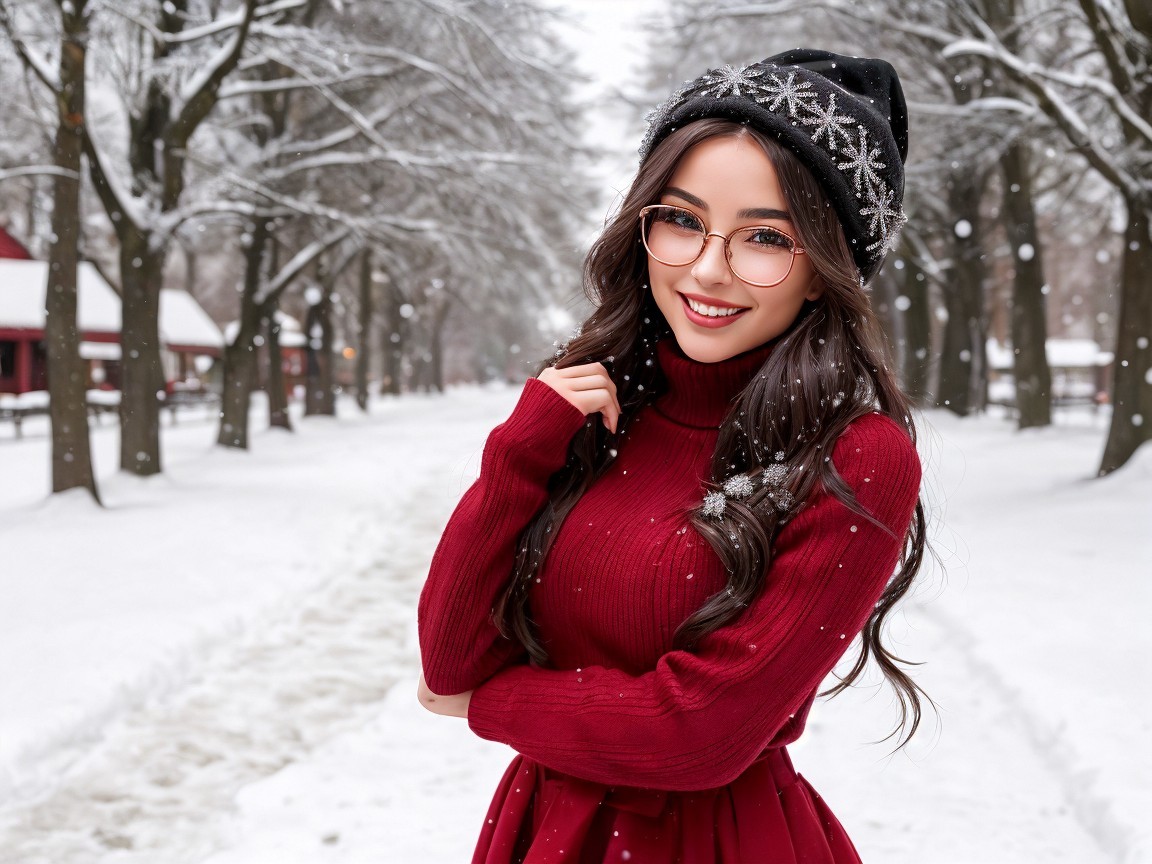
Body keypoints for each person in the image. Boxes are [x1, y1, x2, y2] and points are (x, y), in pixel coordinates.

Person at [417, 48, 927, 863]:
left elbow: (700, 735)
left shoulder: (856, 458)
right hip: (542, 829)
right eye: (683, 219)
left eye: (765, 237)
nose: (708, 268)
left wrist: (492, 705)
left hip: (713, 842)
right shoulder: (598, 408)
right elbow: (450, 657)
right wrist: (520, 450)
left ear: (827, 272)